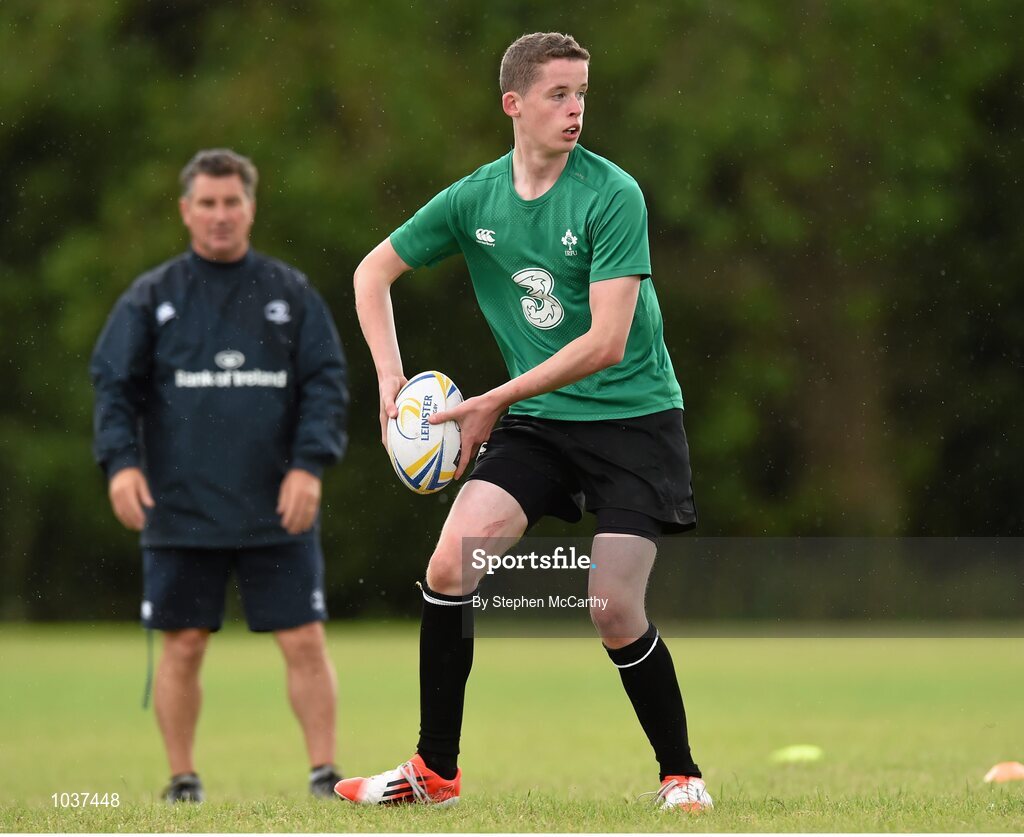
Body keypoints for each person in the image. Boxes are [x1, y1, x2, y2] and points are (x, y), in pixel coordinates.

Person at [339, 33, 711, 811]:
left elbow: (606, 342)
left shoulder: (612, 194)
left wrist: (495, 397)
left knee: (610, 605)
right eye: (557, 95)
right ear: (514, 103)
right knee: (449, 568)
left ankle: (681, 774)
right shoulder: (476, 199)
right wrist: (389, 380)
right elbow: (372, 272)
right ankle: (433, 772)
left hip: (634, 419)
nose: (575, 109)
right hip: (539, 422)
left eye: (581, 94)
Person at [90, 149, 349, 802]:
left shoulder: (289, 293)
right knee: (182, 646)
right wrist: (120, 464)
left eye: (232, 201)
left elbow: (327, 381)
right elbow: (113, 386)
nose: (220, 215)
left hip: (277, 501)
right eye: (206, 203)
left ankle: (324, 773)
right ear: (186, 210)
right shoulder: (151, 297)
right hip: (179, 505)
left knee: (304, 640)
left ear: (251, 207)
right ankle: (182, 778)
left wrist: (310, 465)